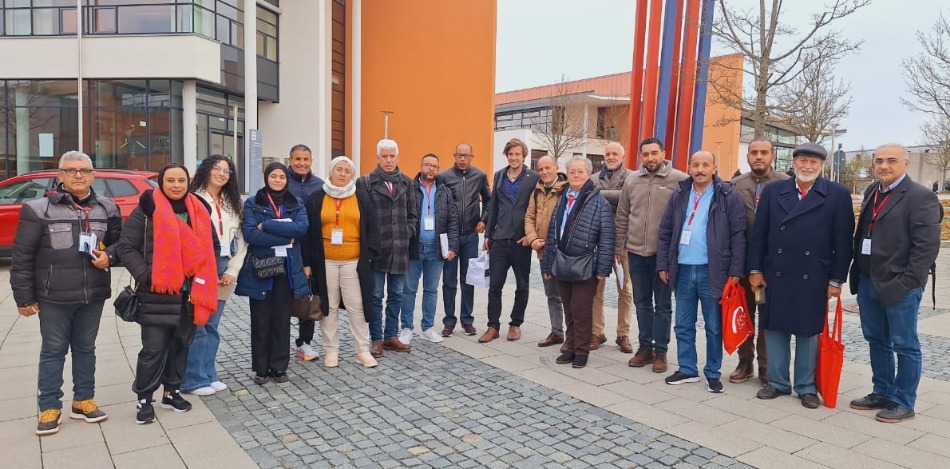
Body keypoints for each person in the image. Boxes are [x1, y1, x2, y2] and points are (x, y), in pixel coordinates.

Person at [11, 151, 122, 435]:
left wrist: (109, 256)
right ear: (60, 175)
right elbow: (22, 257)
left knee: (86, 349)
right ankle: (49, 406)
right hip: (53, 297)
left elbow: (121, 245)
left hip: (93, 294)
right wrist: (23, 298)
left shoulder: (107, 208)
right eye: (71, 170)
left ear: (93, 175)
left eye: (84, 170)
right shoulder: (38, 209)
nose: (78, 175)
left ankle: (83, 400)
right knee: (53, 351)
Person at [748, 143, 854, 409]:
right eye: (803, 161)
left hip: (815, 275)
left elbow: (843, 242)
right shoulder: (774, 191)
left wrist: (836, 280)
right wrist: (755, 270)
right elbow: (759, 234)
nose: (807, 166)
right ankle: (778, 382)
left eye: (813, 163)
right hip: (776, 272)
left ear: (821, 166)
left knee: (808, 332)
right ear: (794, 163)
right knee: (775, 328)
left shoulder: (837, 194)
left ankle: (806, 387)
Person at [116, 163, 219, 424]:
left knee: (180, 345)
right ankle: (144, 398)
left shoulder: (198, 209)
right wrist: (147, 275)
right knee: (153, 349)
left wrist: (204, 274)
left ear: (188, 183)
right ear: (161, 182)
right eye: (170, 180)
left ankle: (171, 392)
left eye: (181, 180)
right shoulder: (147, 211)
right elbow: (126, 247)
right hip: (157, 294)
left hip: (189, 294)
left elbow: (212, 248)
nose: (176, 185)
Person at [849, 143, 942, 423]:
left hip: (899, 284)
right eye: (879, 161)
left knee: (905, 344)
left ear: (906, 163)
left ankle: (904, 401)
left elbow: (926, 248)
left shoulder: (920, 197)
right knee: (877, 339)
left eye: (891, 160)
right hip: (868, 281)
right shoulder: (872, 191)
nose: (884, 166)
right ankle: (882, 391)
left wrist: (907, 283)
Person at [657, 151, 746, 393]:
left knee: (713, 325)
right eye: (695, 165)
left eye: (706, 165)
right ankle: (687, 368)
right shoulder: (679, 194)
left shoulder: (727, 195)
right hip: (683, 269)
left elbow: (739, 235)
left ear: (714, 168)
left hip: (713, 271)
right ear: (689, 167)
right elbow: (665, 230)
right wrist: (663, 264)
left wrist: (736, 270)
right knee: (683, 324)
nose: (700, 169)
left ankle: (713, 371)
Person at [615, 137, 688, 372]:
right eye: (645, 154)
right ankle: (645, 347)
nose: (650, 158)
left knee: (663, 305)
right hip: (635, 252)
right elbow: (623, 214)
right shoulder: (632, 180)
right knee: (641, 302)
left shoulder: (679, 179)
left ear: (663, 153)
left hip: (663, 255)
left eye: (654, 153)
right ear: (640, 157)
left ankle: (661, 351)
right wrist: (619, 247)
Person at [235, 163, 311, 385]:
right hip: (262, 267)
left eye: (281, 176)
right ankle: (261, 369)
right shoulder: (253, 202)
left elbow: (301, 228)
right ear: (266, 178)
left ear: (287, 179)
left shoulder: (295, 202)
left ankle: (279, 367)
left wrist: (267, 224)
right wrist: (285, 238)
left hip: (287, 270)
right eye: (273, 176)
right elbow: (251, 234)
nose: (278, 180)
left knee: (281, 319)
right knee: (260, 319)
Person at [302, 156, 380, 368]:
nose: (343, 174)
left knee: (357, 307)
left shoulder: (362, 198)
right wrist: (307, 262)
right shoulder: (317, 198)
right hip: (325, 261)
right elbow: (308, 234)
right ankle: (331, 350)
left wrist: (370, 256)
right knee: (330, 307)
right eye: (339, 169)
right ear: (331, 171)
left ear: (352, 175)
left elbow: (373, 230)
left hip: (354, 262)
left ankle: (362, 350)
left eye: (347, 170)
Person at [182, 155, 247, 396]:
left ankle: (209, 373)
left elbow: (241, 240)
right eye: (216, 168)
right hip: (201, 265)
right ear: (206, 170)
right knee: (198, 323)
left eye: (227, 170)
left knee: (213, 325)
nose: (221, 173)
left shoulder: (232, 202)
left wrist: (232, 270)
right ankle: (193, 379)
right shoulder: (193, 198)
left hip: (225, 265)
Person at [540, 157, 615, 369]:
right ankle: (570, 346)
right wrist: (547, 265)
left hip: (586, 264)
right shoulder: (562, 198)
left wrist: (602, 268)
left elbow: (607, 236)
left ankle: (582, 350)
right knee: (569, 309)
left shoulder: (599, 201)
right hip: (563, 263)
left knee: (581, 309)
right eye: (572, 172)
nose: (575, 175)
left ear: (588, 174)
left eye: (580, 172)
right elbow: (552, 233)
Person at [729, 138, 790, 385]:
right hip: (742, 262)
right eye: (754, 152)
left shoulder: (785, 184)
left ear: (772, 156)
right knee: (744, 313)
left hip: (773, 264)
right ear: (748, 157)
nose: (759, 157)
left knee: (767, 317)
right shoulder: (735, 186)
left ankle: (766, 364)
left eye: (764, 152)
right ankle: (745, 361)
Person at [479, 138, 540, 343]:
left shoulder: (533, 178)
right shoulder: (499, 175)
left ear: (524, 156)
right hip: (499, 238)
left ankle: (515, 324)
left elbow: (539, 209)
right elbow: (493, 206)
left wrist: (531, 235)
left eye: (518, 154)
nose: (514, 158)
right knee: (495, 285)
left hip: (521, 240)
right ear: (507, 155)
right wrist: (488, 235)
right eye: (511, 154)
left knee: (522, 284)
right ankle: (492, 326)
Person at [365, 139, 418, 356]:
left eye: (392, 156)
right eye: (384, 156)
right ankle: (376, 338)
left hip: (400, 249)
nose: (388, 160)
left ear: (397, 157)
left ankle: (390, 336)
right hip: (378, 249)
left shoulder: (407, 183)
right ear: (378, 157)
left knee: (396, 294)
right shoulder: (366, 182)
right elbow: (364, 218)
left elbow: (413, 214)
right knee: (376, 296)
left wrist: (407, 231)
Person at [402, 154, 459, 343]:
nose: (431, 169)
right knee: (409, 289)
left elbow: (452, 221)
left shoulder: (444, 191)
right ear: (421, 165)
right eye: (428, 165)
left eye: (435, 166)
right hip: (414, 247)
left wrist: (452, 246)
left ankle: (427, 327)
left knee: (431, 290)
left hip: (436, 248)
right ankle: (407, 328)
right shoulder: (410, 188)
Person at [440, 142, 491, 337]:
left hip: (470, 235)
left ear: (472, 156)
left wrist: (484, 219)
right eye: (459, 155)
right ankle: (449, 321)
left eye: (466, 156)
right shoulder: (443, 177)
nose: (462, 159)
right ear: (454, 155)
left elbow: (489, 201)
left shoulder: (479, 176)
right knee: (449, 280)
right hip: (450, 237)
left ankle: (467, 319)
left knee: (468, 279)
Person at [592, 142, 634, 353]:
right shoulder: (593, 178)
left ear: (623, 155)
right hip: (598, 242)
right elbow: (591, 200)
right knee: (595, 290)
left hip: (623, 243)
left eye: (614, 153)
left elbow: (629, 201)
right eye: (607, 154)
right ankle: (597, 331)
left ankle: (623, 334)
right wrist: (617, 196)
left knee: (625, 290)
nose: (610, 157)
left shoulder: (631, 177)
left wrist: (601, 195)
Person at [524, 155, 568, 349]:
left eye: (548, 168)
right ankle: (557, 331)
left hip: (564, 252)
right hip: (543, 252)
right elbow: (529, 217)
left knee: (570, 295)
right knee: (552, 294)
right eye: (540, 169)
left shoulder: (567, 189)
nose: (544, 172)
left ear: (556, 167)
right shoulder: (537, 190)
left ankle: (575, 335)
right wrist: (533, 239)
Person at [286, 144, 325, 362]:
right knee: (283, 297)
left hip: (311, 250)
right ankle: (281, 340)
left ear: (311, 161)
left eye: (306, 159)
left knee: (307, 297)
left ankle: (304, 342)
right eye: (297, 159)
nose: (302, 163)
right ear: (290, 160)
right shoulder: (283, 182)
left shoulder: (319, 185)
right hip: (286, 248)